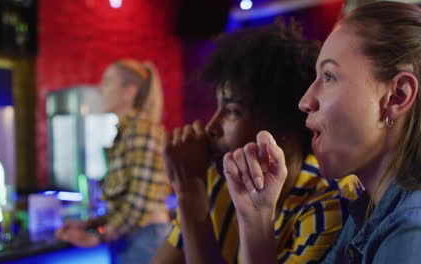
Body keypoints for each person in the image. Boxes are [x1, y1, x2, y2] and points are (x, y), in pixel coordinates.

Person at [223, 2, 421, 263]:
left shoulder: (418, 233)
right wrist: (256, 218)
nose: (305, 101)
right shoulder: (369, 211)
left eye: (329, 77)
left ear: (397, 96)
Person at [151, 20, 360, 264]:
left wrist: (189, 193)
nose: (211, 127)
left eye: (232, 111)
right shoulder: (220, 184)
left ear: (283, 125)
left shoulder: (329, 204)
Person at [56, 59, 171, 264]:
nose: (101, 90)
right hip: (134, 237)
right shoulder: (128, 131)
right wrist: (89, 224)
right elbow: (125, 201)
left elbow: (140, 202)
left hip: (145, 238)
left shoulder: (142, 130)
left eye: (108, 82)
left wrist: (98, 235)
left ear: (130, 91)